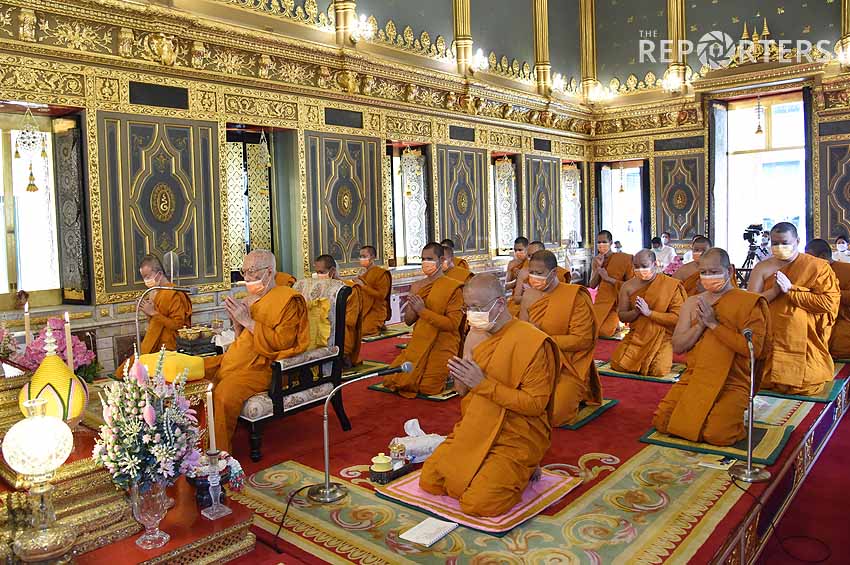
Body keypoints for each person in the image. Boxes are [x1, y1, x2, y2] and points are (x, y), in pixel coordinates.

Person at [419, 274, 558, 517]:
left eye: (477, 307)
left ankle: (524, 468)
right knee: (431, 481)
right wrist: (463, 367)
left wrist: (483, 384)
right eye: (467, 308)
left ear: (500, 304)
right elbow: (462, 391)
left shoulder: (532, 341)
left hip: (515, 433)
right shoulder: (475, 335)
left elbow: (535, 404)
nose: (471, 314)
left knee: (478, 504)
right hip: (478, 424)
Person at [653, 248, 771, 446]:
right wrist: (700, 325)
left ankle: (726, 417)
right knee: (663, 422)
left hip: (732, 381)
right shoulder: (692, 303)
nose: (709, 277)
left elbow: (754, 350)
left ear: (730, 271)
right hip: (696, 376)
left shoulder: (749, 303)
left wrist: (714, 325)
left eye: (714, 272)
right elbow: (678, 346)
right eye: (704, 272)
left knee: (718, 435)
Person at [205, 250, 309, 453]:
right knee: (193, 376)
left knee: (223, 394)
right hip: (237, 360)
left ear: (269, 272)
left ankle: (219, 456)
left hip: (265, 367)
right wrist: (237, 324)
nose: (247, 277)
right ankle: (194, 448)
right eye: (244, 271)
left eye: (251, 271)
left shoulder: (289, 301)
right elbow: (242, 340)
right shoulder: (250, 300)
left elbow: (282, 343)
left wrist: (247, 321)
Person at [749, 222, 840, 396]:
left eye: (784, 243)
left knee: (807, 380)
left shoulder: (816, 266)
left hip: (804, 339)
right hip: (771, 336)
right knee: (764, 379)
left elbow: (828, 303)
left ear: (797, 241)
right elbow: (751, 304)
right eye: (775, 243)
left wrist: (791, 290)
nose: (779, 247)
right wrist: (774, 291)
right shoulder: (762, 267)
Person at [518, 250, 601, 427]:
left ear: (554, 272)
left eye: (539, 273)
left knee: (555, 414)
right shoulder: (529, 295)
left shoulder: (574, 296)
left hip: (568, 364)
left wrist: (544, 338)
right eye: (531, 272)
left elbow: (583, 340)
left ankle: (580, 390)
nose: (534, 277)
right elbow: (523, 330)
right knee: (514, 400)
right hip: (537, 361)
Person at [383, 243, 464, 397]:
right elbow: (408, 321)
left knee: (428, 388)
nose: (425, 262)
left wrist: (422, 311)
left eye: (429, 259)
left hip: (443, 343)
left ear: (441, 260)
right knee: (392, 380)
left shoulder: (453, 287)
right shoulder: (417, 286)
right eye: (423, 259)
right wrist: (414, 308)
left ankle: (449, 374)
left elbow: (452, 324)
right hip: (420, 340)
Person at [610, 250, 686, 376]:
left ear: (655, 264)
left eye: (644, 266)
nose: (640, 270)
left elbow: (677, 318)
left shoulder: (670, 285)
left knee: (658, 370)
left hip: (662, 336)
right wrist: (636, 312)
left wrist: (649, 313)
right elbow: (622, 316)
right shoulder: (627, 286)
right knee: (618, 364)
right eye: (636, 266)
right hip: (637, 335)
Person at [137, 253, 192, 354]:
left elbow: (179, 326)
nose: (146, 281)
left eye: (147, 276)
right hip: (156, 346)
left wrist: (153, 313)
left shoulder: (172, 293)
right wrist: (148, 312)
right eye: (143, 278)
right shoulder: (155, 293)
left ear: (159, 274)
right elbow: (155, 323)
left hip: (171, 348)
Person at [314, 254, 362, 367]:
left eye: (321, 272)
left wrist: (328, 321)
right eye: (317, 272)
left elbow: (351, 321)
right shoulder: (317, 288)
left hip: (340, 330)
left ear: (332, 271)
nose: (318, 275)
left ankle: (343, 356)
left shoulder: (349, 289)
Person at [805, 239, 850, 360]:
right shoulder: (809, 273)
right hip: (815, 323)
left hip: (841, 324)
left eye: (810, 257)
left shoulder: (847, 270)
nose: (807, 261)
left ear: (823, 256)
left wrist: (832, 295)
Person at [589, 230, 634, 337]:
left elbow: (631, 286)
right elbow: (592, 285)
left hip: (618, 303)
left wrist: (608, 279)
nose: (601, 245)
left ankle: (619, 322)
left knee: (604, 332)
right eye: (599, 242)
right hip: (602, 301)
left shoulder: (624, 259)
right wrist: (599, 268)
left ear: (610, 242)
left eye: (604, 242)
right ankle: (616, 325)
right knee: (591, 330)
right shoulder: (596, 260)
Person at [672, 236, 737, 296]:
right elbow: (674, 292)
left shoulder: (722, 268)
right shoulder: (683, 270)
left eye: (704, 250)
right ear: (692, 250)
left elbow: (731, 292)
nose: (700, 253)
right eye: (696, 250)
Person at [356, 245, 392, 336]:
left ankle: (379, 324)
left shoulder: (381, 273)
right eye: (360, 256)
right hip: (363, 310)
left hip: (375, 311)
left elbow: (381, 295)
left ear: (373, 257)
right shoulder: (362, 273)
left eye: (364, 256)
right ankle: (380, 326)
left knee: (364, 331)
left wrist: (363, 286)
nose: (361, 259)